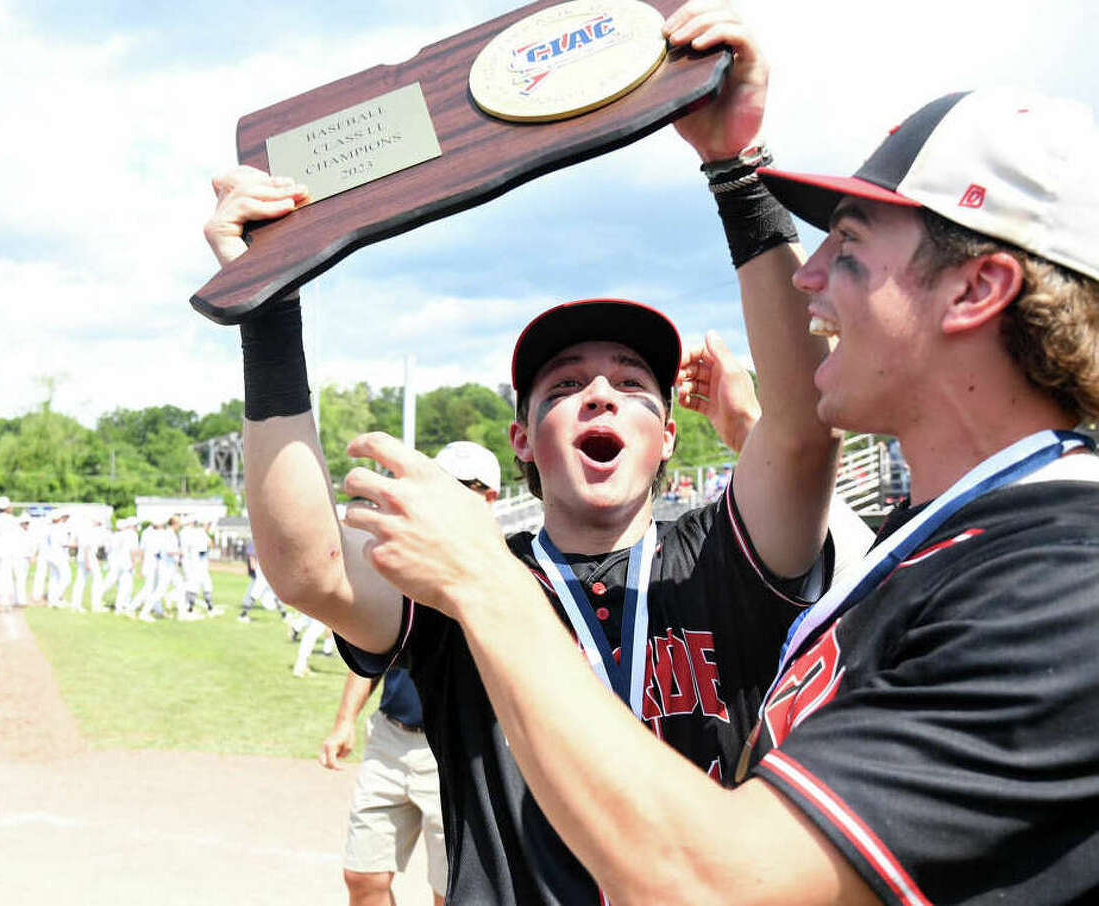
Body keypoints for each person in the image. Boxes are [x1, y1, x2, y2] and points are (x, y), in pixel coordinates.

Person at [338, 35, 1099, 906]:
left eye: (847, 249)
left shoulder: (1063, 583)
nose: (809, 275)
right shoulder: (962, 543)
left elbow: (716, 886)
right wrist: (731, 162)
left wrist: (482, 577)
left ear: (976, 290)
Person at [201, 5, 840, 899]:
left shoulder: (722, 559)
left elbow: (805, 432)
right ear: (523, 444)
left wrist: (734, 166)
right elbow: (307, 568)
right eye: (566, 385)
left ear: (665, 439)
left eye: (630, 382)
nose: (601, 393)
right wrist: (268, 306)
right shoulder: (466, 577)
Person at [319, 443, 502, 906]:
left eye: (465, 488)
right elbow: (374, 651)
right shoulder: (407, 564)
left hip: (457, 748)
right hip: (390, 738)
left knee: (451, 891)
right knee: (362, 878)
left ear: (490, 498)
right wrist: (344, 721)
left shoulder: (505, 573)